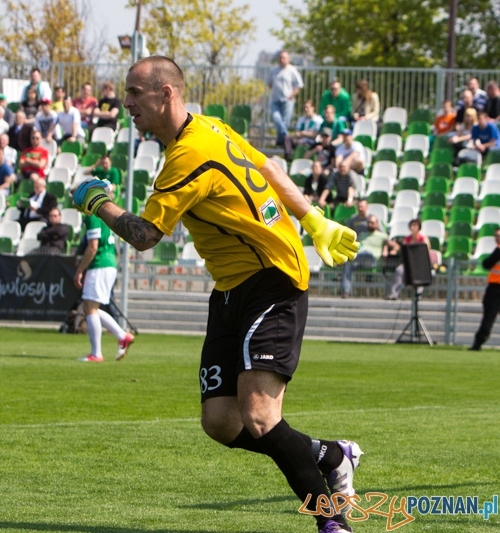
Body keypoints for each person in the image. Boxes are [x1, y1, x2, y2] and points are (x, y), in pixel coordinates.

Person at [72, 56, 360, 533]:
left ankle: (333, 523)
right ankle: (330, 455)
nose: (125, 104)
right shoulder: (211, 128)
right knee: (221, 421)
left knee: (260, 415)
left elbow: (145, 235)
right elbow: (266, 166)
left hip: (272, 277)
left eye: (135, 93)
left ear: (166, 94)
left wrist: (99, 202)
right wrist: (311, 218)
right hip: (230, 287)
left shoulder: (189, 154)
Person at [73, 210, 135, 363]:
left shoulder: (92, 215)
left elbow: (93, 247)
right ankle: (122, 336)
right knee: (89, 307)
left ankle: (96, 353)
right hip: (108, 262)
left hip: (100, 264)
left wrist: (80, 269)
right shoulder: (102, 213)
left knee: (90, 307)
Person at [341, 215, 387, 299]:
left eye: (372, 223)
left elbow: (395, 246)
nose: (369, 224)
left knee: (367, 252)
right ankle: (345, 291)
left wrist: (385, 248)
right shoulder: (362, 235)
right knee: (347, 263)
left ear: (377, 224)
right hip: (359, 260)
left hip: (372, 261)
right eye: (368, 222)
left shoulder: (382, 236)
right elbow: (357, 246)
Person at [469, 227, 500, 351]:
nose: (497, 238)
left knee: (488, 317)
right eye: (496, 235)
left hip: (495, 288)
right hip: (494, 287)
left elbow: (486, 264)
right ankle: (478, 342)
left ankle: (478, 343)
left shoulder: (498, 250)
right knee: (488, 317)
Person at [386, 219, 430, 300]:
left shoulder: (423, 238)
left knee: (421, 274)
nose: (412, 227)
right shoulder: (407, 239)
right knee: (399, 271)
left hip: (420, 264)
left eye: (415, 225)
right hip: (409, 264)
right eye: (411, 225)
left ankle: (418, 294)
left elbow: (426, 251)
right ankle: (394, 294)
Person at [267, 51, 304, 148]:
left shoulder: (292, 70)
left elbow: (298, 86)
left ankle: (280, 141)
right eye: (280, 58)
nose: (282, 60)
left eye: (284, 58)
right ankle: (287, 138)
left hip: (288, 100)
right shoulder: (273, 70)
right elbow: (269, 84)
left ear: (288, 59)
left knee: (285, 121)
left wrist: (290, 96)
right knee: (276, 118)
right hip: (275, 100)